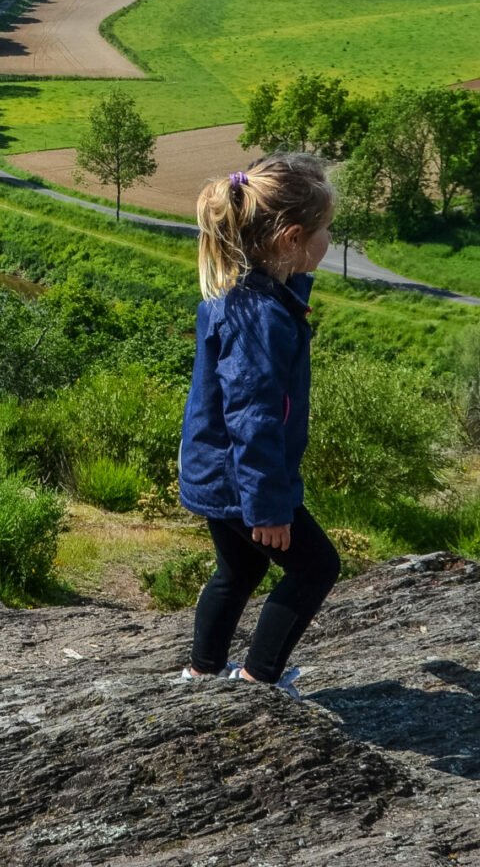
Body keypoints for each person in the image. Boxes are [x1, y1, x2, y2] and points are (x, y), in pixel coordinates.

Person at [178, 154, 344, 695]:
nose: (329, 242)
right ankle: (258, 682)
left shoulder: (244, 294)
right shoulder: (262, 316)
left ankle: (202, 672)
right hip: (243, 480)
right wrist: (269, 507)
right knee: (316, 568)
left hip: (217, 472)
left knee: (239, 571)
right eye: (325, 232)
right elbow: (253, 417)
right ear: (292, 238)